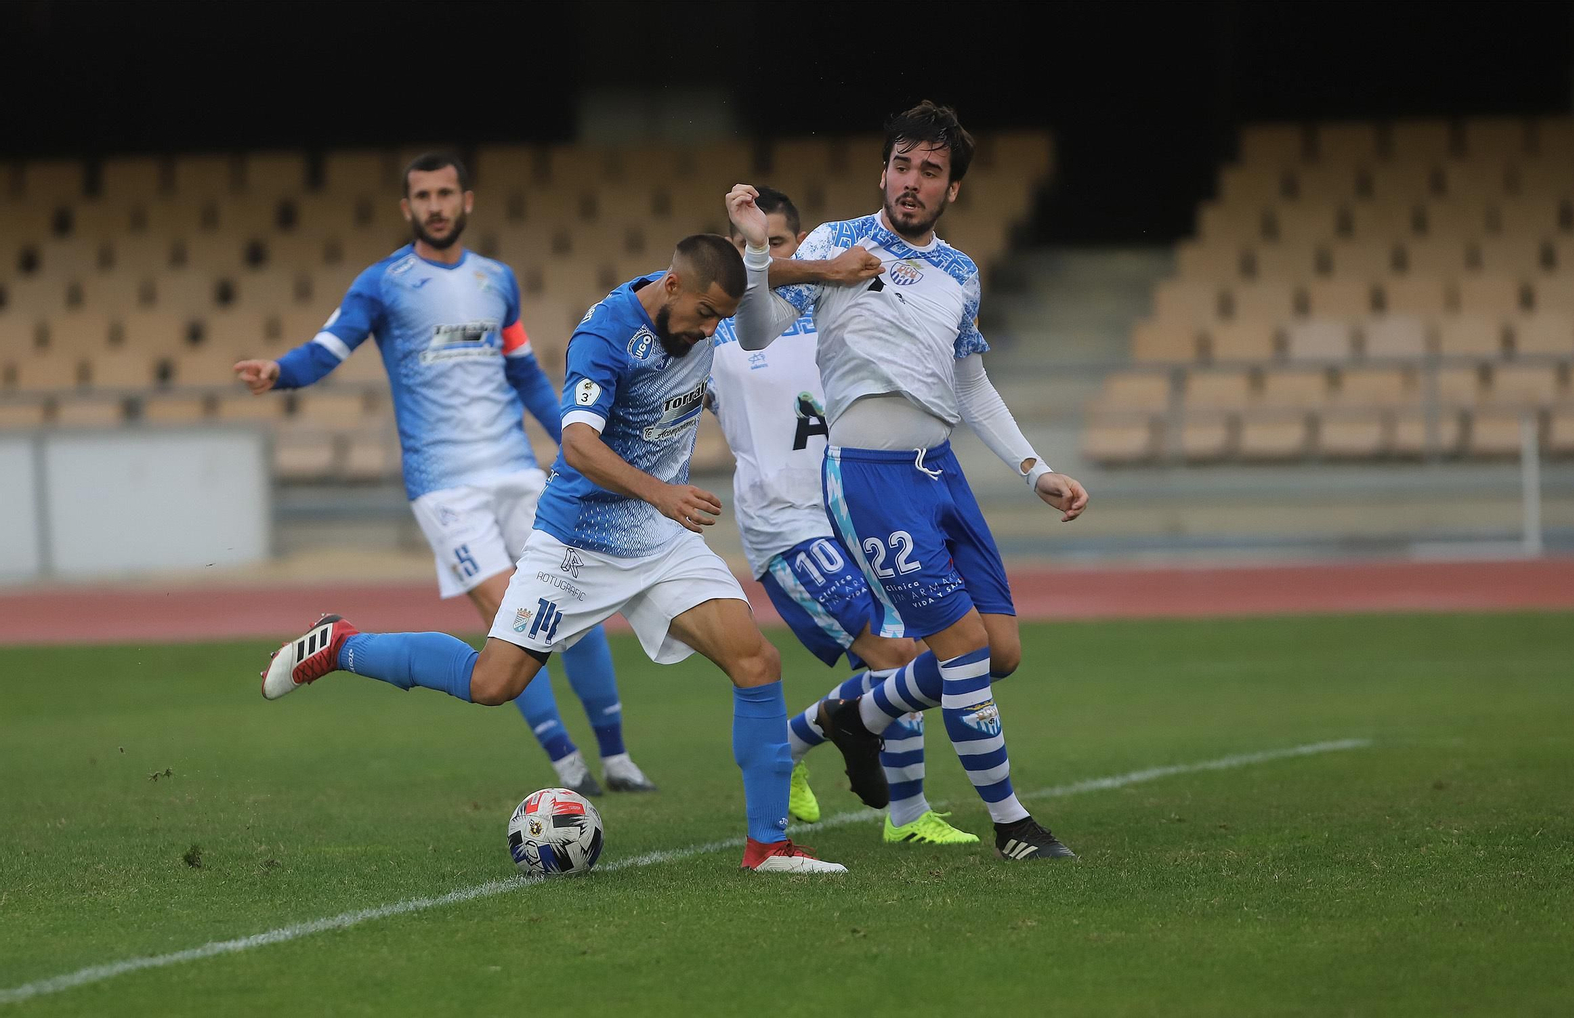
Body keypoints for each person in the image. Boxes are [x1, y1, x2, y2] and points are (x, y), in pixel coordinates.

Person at [260, 233, 854, 873]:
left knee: (756, 661)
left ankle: (767, 847)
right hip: (578, 542)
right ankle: (342, 644)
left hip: (661, 539)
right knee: (492, 684)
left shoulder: (698, 294)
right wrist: (660, 493)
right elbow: (577, 447)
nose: (712, 330)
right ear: (673, 287)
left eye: (721, 318)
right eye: (706, 315)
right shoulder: (603, 338)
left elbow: (751, 277)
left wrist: (824, 268)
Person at [730, 101, 1090, 861]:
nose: (912, 182)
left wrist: (1035, 469)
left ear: (952, 189)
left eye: (931, 171)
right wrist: (767, 255)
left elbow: (972, 386)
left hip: (941, 474)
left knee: (1000, 652)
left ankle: (844, 721)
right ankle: (1012, 824)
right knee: (960, 649)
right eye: (902, 165)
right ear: (883, 170)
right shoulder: (836, 244)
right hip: (870, 476)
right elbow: (755, 332)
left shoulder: (960, 274)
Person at [234, 152, 654, 796]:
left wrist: (578, 443)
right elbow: (329, 347)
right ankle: (569, 768)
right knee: (515, 619)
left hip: (515, 470)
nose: (435, 205)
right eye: (422, 196)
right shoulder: (383, 283)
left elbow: (523, 374)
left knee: (578, 605)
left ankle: (618, 760)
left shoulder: (497, 281)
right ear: (407, 209)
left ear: (467, 201)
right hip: (444, 485)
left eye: (445, 193)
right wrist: (281, 371)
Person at [707, 186, 978, 846]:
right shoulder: (719, 334)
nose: (765, 256)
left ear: (800, 247)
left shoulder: (839, 313)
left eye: (777, 245)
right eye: (751, 246)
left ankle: (807, 752)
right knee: (891, 652)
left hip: (857, 507)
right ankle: (903, 811)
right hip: (785, 521)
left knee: (906, 650)